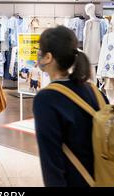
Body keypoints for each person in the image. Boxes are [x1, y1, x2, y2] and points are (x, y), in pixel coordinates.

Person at [33, 26, 109, 187]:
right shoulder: (95, 92)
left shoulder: (46, 99)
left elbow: (51, 161)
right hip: (106, 178)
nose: (37, 54)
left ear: (48, 57)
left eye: (40, 50)